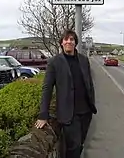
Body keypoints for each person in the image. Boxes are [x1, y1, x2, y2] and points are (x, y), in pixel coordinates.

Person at [35, 29, 97, 158]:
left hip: (86, 112)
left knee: (80, 144)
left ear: (75, 43)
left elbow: (89, 84)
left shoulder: (84, 60)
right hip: (69, 113)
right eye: (66, 39)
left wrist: (92, 104)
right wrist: (43, 114)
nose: (69, 41)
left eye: (72, 39)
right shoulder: (54, 62)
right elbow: (47, 88)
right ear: (62, 43)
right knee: (73, 146)